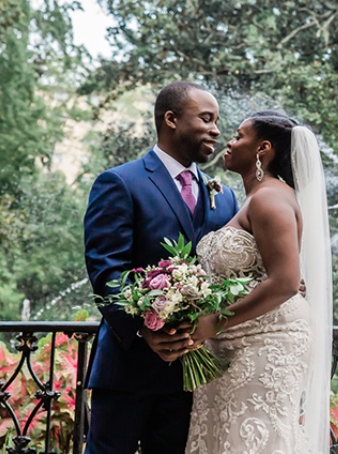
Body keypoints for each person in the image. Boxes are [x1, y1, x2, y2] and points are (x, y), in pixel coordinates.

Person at [84, 81, 240, 454]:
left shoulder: (226, 195)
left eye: (217, 120)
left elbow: (232, 271)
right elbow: (107, 271)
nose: (216, 129)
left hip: (192, 378)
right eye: (206, 118)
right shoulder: (121, 182)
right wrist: (144, 331)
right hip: (128, 369)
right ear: (170, 119)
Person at [181, 111, 332, 454]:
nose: (229, 142)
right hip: (233, 342)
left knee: (253, 438)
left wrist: (213, 323)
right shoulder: (255, 197)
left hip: (266, 344)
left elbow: (285, 283)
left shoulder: (269, 198)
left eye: (239, 136)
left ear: (263, 148)